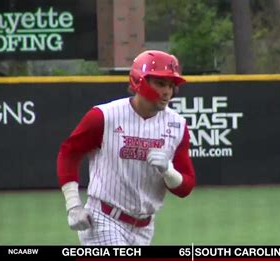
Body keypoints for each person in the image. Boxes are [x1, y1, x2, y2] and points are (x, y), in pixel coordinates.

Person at [56, 50, 196, 245]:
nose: (167, 92)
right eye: (161, 83)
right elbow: (69, 153)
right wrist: (73, 205)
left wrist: (169, 171)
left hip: (145, 228)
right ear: (139, 81)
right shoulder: (104, 116)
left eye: (172, 86)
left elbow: (186, 187)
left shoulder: (177, 125)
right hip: (104, 219)